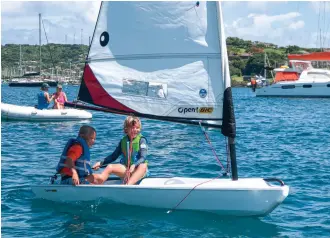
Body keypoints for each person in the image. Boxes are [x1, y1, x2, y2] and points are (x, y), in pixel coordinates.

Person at [92, 116, 148, 185]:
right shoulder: (123, 141)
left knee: (143, 166)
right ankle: (98, 182)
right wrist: (100, 163)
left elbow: (143, 157)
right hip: (126, 169)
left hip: (138, 170)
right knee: (110, 167)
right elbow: (113, 156)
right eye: (132, 128)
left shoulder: (142, 140)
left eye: (137, 128)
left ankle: (127, 185)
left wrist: (134, 165)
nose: (135, 130)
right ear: (126, 129)